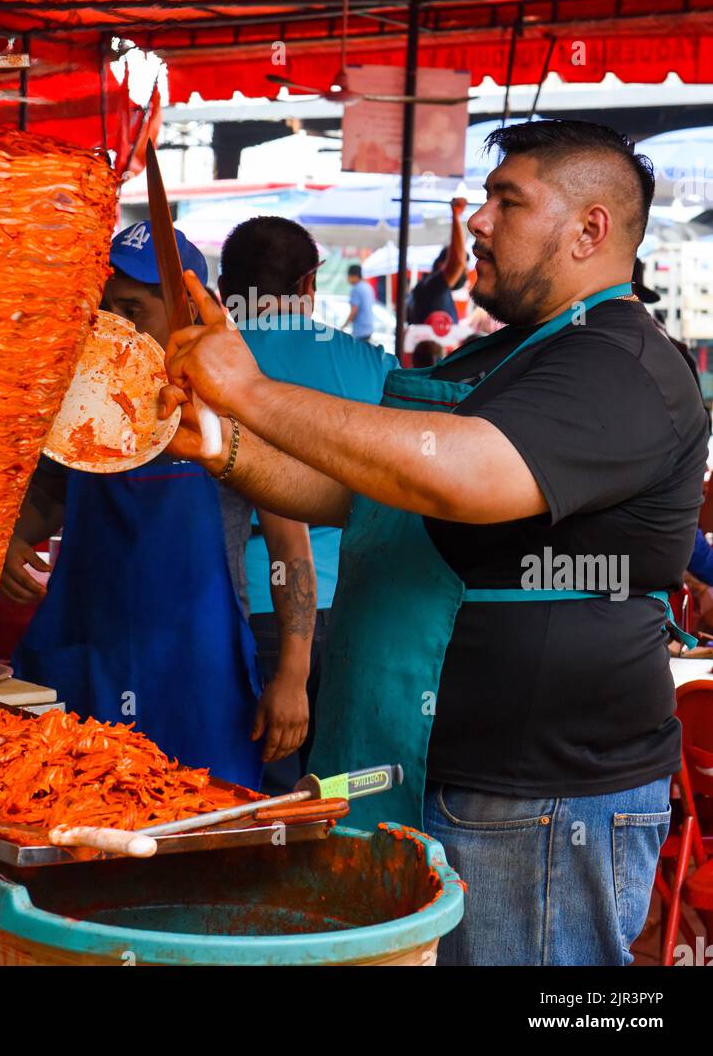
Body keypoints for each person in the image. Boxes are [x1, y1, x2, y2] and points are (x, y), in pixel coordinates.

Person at [159, 118, 709, 967]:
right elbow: (366, 494)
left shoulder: (619, 364)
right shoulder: (499, 357)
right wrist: (225, 449)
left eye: (505, 201)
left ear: (588, 229)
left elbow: (456, 474)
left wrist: (254, 393)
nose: (477, 221)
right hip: (411, 767)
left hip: (534, 795)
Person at [1, 224, 292, 790]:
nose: (115, 326)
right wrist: (6, 542)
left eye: (132, 308)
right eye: (105, 309)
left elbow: (290, 545)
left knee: (204, 836)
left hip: (199, 680)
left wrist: (293, 675)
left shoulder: (234, 409)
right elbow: (48, 500)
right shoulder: (83, 409)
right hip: (88, 664)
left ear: (184, 309)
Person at [218, 215, 398, 790]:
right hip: (362, 609)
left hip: (249, 609)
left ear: (225, 291)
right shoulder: (377, 368)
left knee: (254, 797)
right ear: (308, 284)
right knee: (344, 794)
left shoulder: (211, 368)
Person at [406, 196, 468, 325]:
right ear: (442, 265)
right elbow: (457, 263)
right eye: (463, 270)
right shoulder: (433, 286)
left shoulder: (433, 288)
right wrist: (456, 215)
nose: (464, 274)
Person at [343, 264, 374, 342]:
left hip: (360, 331)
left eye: (349, 276)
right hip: (369, 329)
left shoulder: (356, 289)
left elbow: (354, 311)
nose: (348, 279)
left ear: (355, 276)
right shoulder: (368, 287)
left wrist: (343, 326)